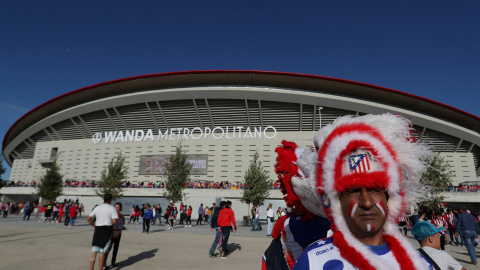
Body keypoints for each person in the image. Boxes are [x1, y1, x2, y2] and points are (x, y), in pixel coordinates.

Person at [273, 114, 435, 269]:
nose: (367, 202)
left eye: (374, 189)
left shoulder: (421, 264)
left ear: (390, 198)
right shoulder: (314, 260)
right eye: (353, 191)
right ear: (336, 202)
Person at [87, 194, 118, 270]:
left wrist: (94, 225)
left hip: (98, 229)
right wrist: (110, 224)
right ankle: (100, 269)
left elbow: (88, 218)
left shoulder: (97, 207)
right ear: (110, 199)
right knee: (102, 251)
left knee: (94, 250)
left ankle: (91, 269)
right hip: (107, 229)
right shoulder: (112, 208)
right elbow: (114, 220)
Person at [106, 202, 125, 268]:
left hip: (118, 233)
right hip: (111, 233)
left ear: (120, 208)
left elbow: (123, 223)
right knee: (108, 248)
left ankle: (113, 262)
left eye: (118, 207)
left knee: (115, 249)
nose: (116, 208)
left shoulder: (121, 216)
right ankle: (104, 263)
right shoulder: (111, 214)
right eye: (115, 207)